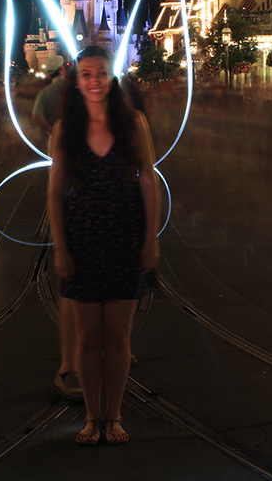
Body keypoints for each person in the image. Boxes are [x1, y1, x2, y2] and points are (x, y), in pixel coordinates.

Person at [48, 45, 160, 445]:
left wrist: (151, 239)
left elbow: (149, 182)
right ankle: (92, 417)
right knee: (85, 337)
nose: (94, 81)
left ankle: (114, 415)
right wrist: (60, 247)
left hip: (124, 235)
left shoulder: (133, 123)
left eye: (101, 73)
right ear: (76, 80)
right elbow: (55, 192)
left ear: (113, 77)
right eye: (86, 74)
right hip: (81, 238)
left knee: (119, 336)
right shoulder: (66, 129)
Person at [31, 55, 81, 401]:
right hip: (80, 218)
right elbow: (55, 192)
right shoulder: (69, 127)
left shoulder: (122, 121)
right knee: (75, 294)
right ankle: (70, 366)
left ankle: (85, 359)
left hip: (110, 222)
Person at [32, 55, 67, 134]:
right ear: (62, 69)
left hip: (56, 137)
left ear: (48, 75)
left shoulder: (45, 93)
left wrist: (52, 131)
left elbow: (36, 116)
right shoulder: (74, 87)